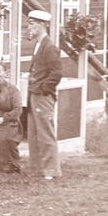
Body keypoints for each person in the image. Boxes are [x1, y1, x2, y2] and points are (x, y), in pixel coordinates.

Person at [26, 10, 63, 180]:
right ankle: (37, 169)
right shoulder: (39, 45)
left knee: (45, 133)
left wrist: (43, 89)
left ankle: (51, 170)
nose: (29, 27)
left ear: (42, 25)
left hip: (42, 96)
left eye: (32, 23)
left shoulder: (50, 47)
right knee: (34, 133)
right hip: (34, 93)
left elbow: (56, 74)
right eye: (29, 23)